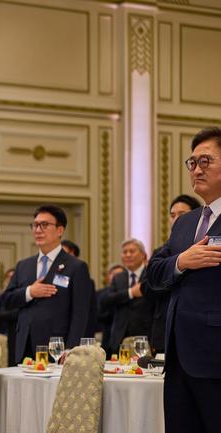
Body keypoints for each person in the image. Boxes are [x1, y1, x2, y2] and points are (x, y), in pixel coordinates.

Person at [147, 127, 221, 433]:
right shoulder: (185, 223)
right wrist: (181, 261)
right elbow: (153, 272)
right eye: (192, 163)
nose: (197, 169)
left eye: (206, 161)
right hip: (177, 358)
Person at [2, 205, 92, 364]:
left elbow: (80, 313)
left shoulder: (76, 267)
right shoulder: (23, 265)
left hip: (56, 348)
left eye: (44, 225)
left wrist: (70, 348)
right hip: (24, 345)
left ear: (60, 230)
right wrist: (30, 291)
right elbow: (7, 300)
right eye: (35, 225)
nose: (38, 230)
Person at [145, 195, 201, 354]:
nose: (176, 219)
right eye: (172, 215)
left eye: (181, 215)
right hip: (165, 328)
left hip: (199, 326)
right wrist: (180, 263)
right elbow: (148, 287)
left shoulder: (205, 244)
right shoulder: (164, 250)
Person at [101, 239, 154, 354]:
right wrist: (130, 293)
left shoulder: (151, 275)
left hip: (147, 337)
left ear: (143, 255)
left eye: (132, 251)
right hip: (119, 338)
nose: (128, 255)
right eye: (124, 252)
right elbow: (107, 300)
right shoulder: (118, 277)